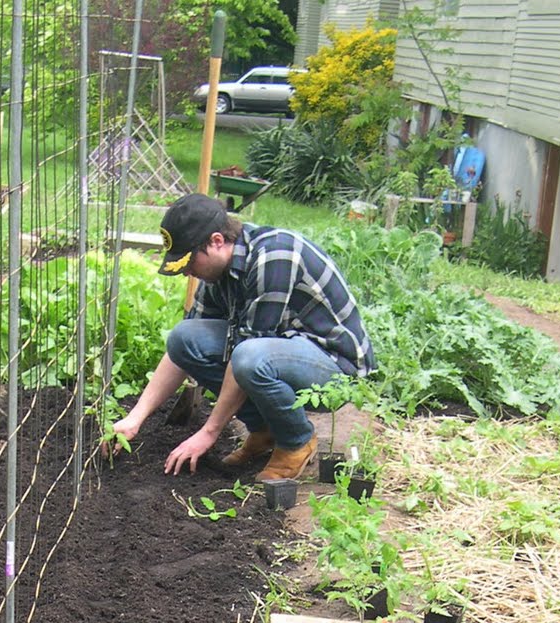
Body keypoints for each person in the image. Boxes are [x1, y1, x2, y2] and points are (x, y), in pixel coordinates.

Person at [111, 193, 375, 481]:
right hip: (282, 352)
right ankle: (264, 431)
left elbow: (246, 356)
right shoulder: (218, 273)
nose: (187, 272)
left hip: (333, 367)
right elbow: (182, 351)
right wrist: (135, 418)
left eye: (189, 262)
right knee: (184, 338)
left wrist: (209, 432)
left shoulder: (273, 257)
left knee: (249, 359)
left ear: (216, 241)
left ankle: (296, 441)